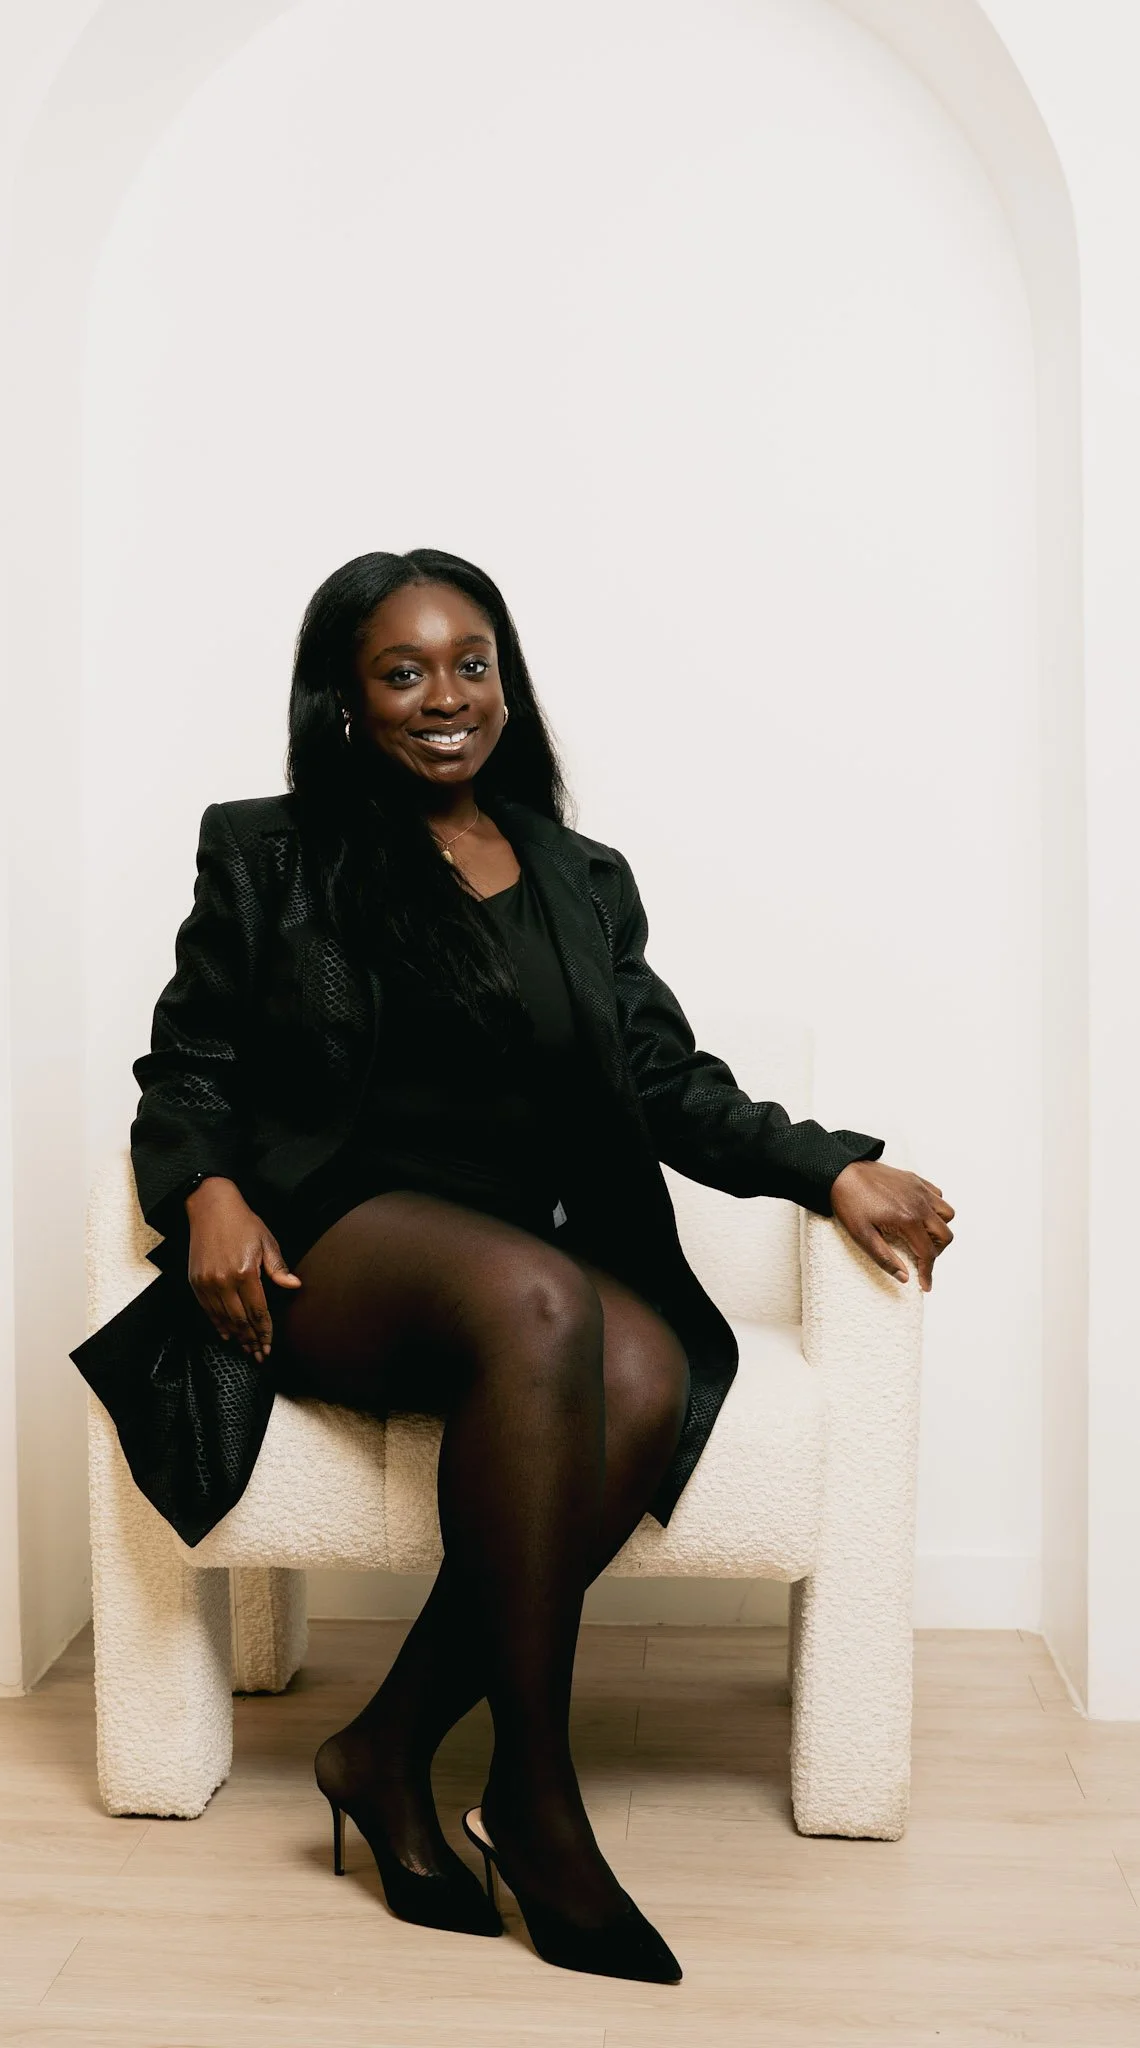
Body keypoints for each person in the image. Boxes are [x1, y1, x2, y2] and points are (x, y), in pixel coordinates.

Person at [127, 548, 955, 1984]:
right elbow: (189, 1060)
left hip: (526, 1266)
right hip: (333, 1252)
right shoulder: (268, 850)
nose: (447, 697)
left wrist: (831, 1164)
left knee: (639, 1366)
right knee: (549, 1302)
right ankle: (533, 1796)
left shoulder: (579, 876)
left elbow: (667, 1081)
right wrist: (201, 1188)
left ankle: (386, 1751)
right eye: (403, 670)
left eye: (474, 663)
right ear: (343, 699)